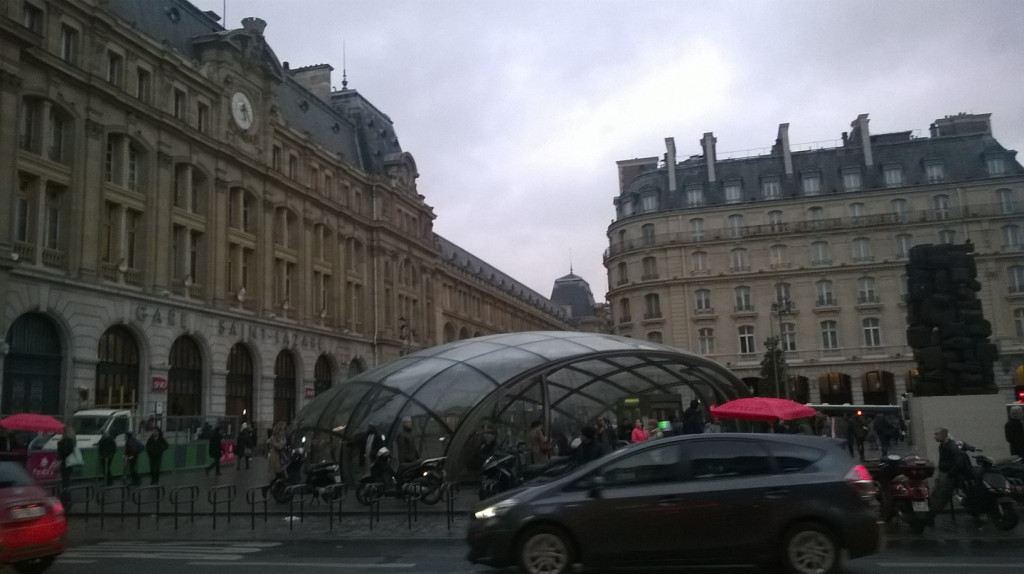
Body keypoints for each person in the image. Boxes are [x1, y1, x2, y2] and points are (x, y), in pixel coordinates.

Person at [928, 427, 965, 524]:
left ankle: (930, 516)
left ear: (943, 435)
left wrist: (950, 474)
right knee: (935, 494)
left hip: (948, 474)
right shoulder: (942, 446)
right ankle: (929, 514)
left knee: (942, 496)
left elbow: (958, 463)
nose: (934, 436)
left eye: (936, 434)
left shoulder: (951, 447)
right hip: (942, 473)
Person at [56, 427, 76, 492]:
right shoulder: (72, 441)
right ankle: (67, 495)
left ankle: (65, 495)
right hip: (70, 463)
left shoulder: (61, 442)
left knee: (65, 480)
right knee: (67, 479)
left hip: (64, 463)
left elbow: (61, 454)